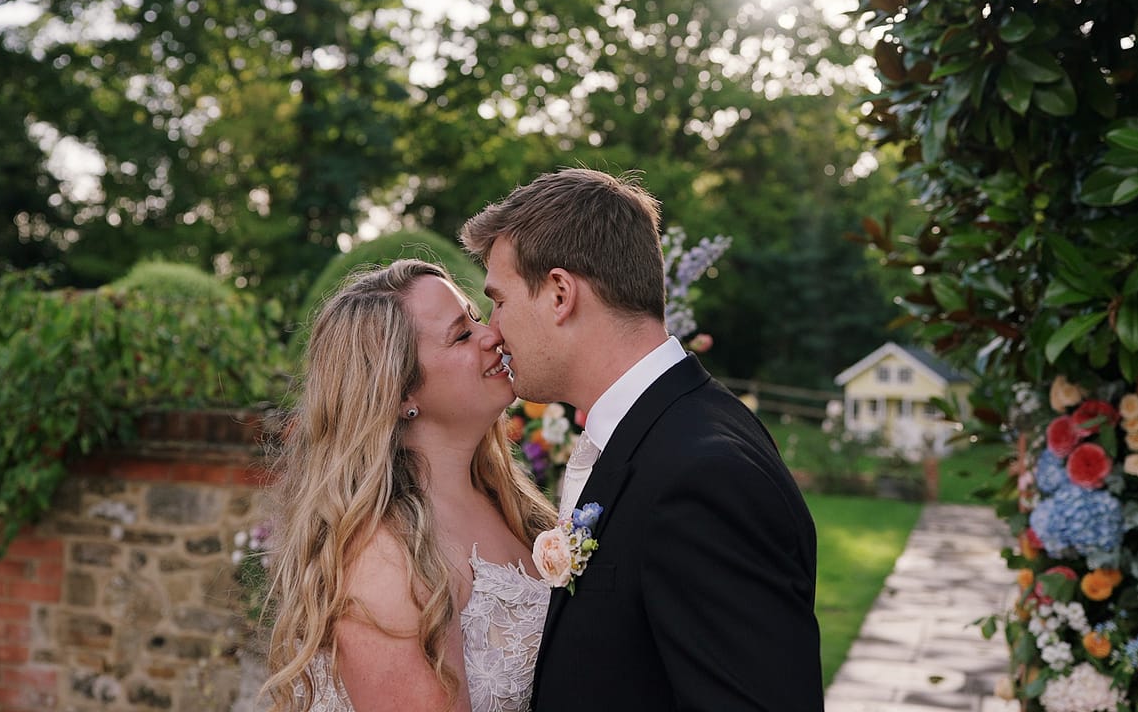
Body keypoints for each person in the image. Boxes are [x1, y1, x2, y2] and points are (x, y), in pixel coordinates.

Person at [460, 168, 823, 712]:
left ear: (560, 294)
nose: (492, 329)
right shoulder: (665, 429)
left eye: (501, 301)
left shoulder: (702, 474)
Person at [259, 259, 557, 712]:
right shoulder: (383, 555)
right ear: (400, 394)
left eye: (476, 317)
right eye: (461, 335)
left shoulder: (509, 502)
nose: (492, 335)